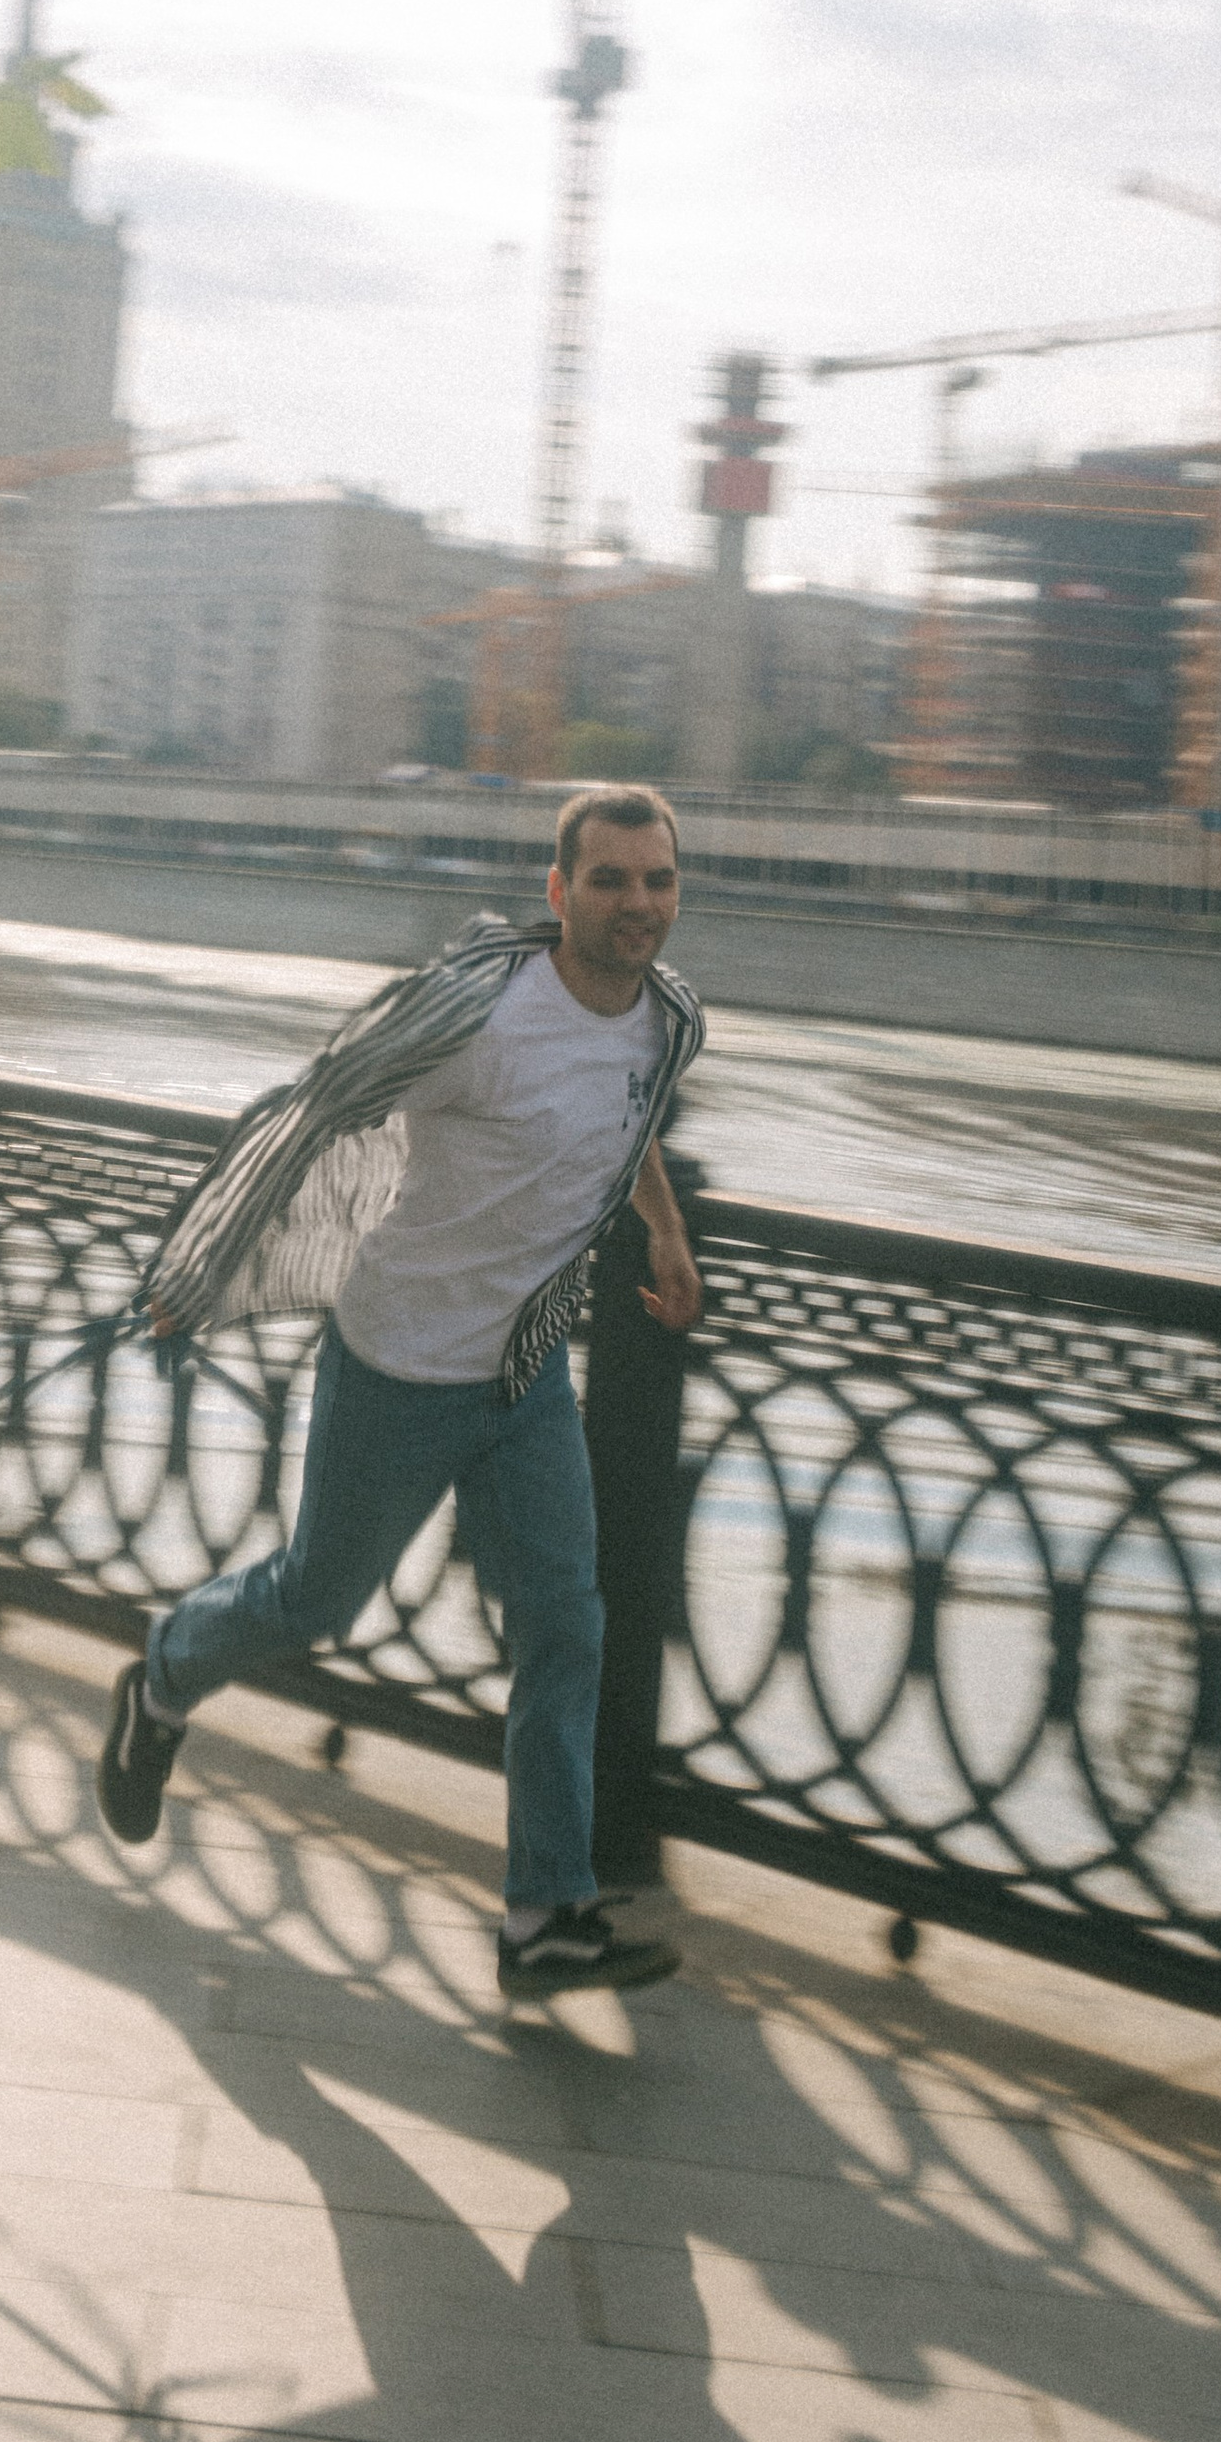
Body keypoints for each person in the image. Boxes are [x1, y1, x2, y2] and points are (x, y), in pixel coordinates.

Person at [96, 783, 704, 1999]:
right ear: (557, 891)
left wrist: (665, 1236)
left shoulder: (664, 1022)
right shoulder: (477, 1020)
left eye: (658, 880)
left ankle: (544, 1917)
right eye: (609, 879)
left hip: (522, 1375)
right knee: (315, 1600)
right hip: (401, 1364)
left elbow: (625, 1123)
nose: (637, 904)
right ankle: (164, 1670)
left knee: (564, 1625)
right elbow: (314, 1111)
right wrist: (198, 1274)